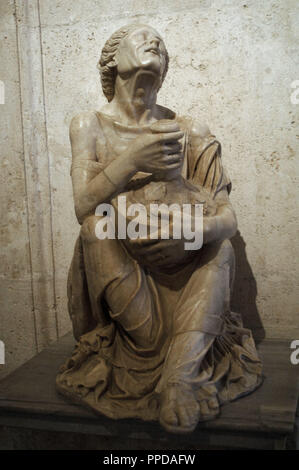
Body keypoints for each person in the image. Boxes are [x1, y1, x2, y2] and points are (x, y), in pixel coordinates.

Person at [56, 23, 262, 434]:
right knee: (96, 227)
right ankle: (148, 354)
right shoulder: (89, 125)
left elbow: (226, 215)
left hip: (188, 264)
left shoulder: (190, 131)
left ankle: (179, 376)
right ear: (114, 60)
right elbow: (83, 206)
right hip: (125, 266)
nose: (156, 43)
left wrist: (192, 235)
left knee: (220, 246)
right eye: (143, 37)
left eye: (162, 45)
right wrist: (133, 157)